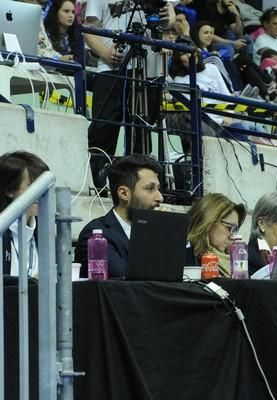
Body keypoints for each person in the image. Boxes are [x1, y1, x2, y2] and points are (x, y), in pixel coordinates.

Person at [84, 0, 175, 187]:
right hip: (111, 69)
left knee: (142, 129)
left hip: (148, 71)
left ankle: (140, 187)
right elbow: (89, 29)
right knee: (103, 130)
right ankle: (99, 186)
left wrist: (169, 18)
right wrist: (104, 53)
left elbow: (168, 21)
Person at [75, 155, 164, 278]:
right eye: (150, 188)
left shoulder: (158, 232)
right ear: (124, 193)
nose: (160, 197)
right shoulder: (96, 235)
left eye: (158, 189)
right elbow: (123, 278)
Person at [0, 151, 49, 278]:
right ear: (10, 190)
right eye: (32, 186)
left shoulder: (44, 232)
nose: (41, 194)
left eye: (44, 186)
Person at [185, 193, 246, 277]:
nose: (232, 236)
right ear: (209, 222)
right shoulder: (186, 255)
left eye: (235, 230)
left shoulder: (233, 260)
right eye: (229, 228)